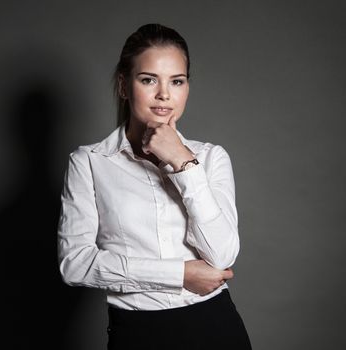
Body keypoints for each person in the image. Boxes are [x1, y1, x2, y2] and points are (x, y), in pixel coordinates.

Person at [56, 23, 252, 349]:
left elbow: (222, 254)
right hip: (138, 332)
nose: (164, 94)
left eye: (177, 81)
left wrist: (182, 163)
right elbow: (75, 264)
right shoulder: (89, 162)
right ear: (123, 85)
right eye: (149, 80)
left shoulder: (210, 157)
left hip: (215, 327)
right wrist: (179, 275)